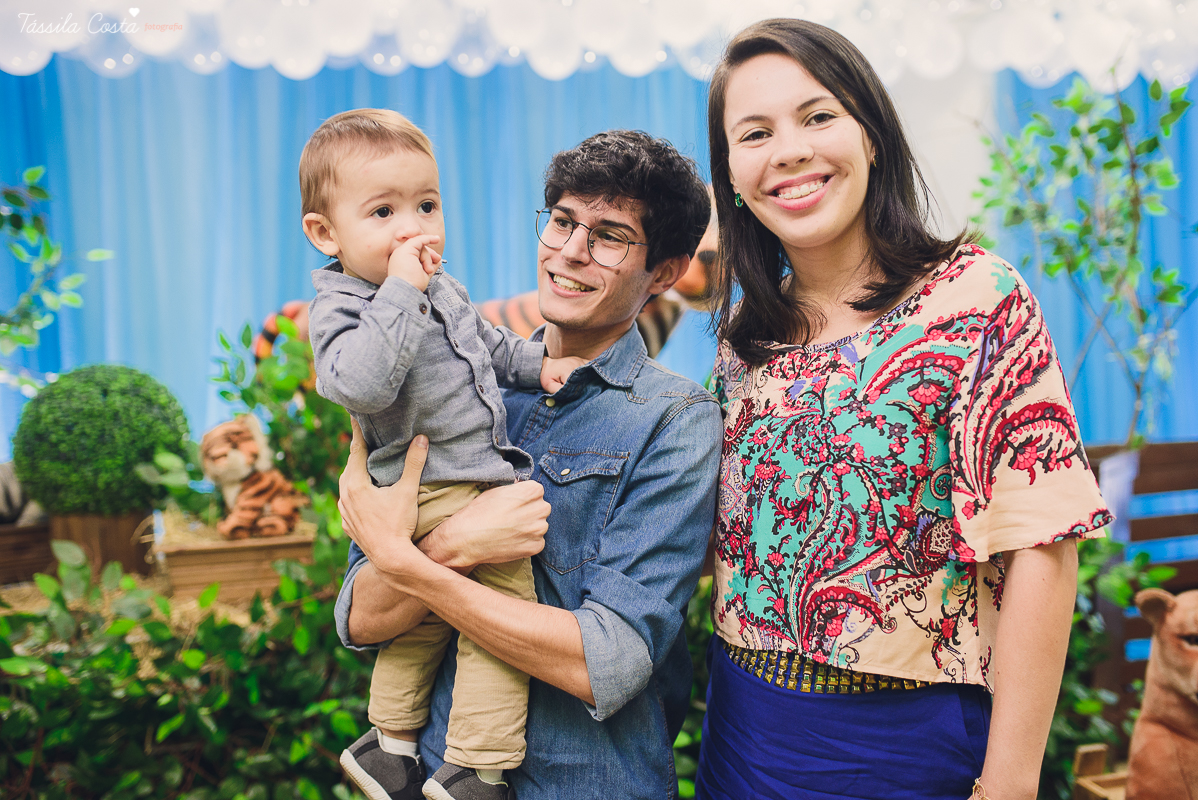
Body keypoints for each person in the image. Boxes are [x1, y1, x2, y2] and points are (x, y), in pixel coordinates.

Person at [696, 19, 1111, 800]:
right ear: (733, 177)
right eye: (754, 133)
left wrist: (1013, 781)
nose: (788, 149)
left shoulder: (974, 299)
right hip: (741, 731)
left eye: (818, 116)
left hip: (904, 746)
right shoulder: (743, 341)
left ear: (873, 134)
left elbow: (1043, 546)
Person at [332, 129, 721, 800]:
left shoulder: (674, 421)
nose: (570, 251)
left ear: (663, 272)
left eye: (609, 236)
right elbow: (360, 619)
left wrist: (411, 563)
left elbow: (609, 661)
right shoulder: (451, 384)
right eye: (563, 222)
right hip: (425, 776)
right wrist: (453, 545)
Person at [299, 108, 584, 800]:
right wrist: (401, 289)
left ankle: (391, 746)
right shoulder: (342, 306)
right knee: (503, 608)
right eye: (384, 211)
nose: (413, 227)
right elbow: (360, 383)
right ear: (325, 233)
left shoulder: (442, 287)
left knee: (426, 617)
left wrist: (535, 363)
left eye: (426, 204)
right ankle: (477, 767)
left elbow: (484, 346)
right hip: (426, 484)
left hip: (460, 479)